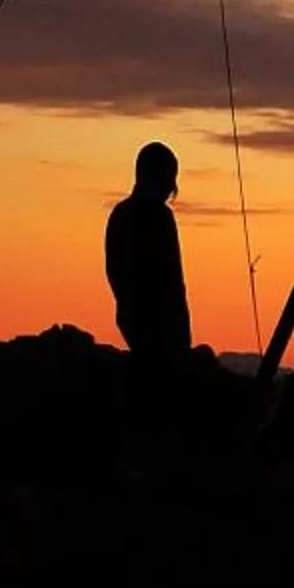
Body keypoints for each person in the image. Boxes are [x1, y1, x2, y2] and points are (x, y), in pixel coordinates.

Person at [106, 141, 192, 461]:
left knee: (146, 393)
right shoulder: (158, 218)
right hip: (158, 325)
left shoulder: (121, 215)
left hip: (134, 319)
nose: (171, 190)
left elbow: (114, 271)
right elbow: (173, 282)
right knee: (159, 400)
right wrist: (182, 335)